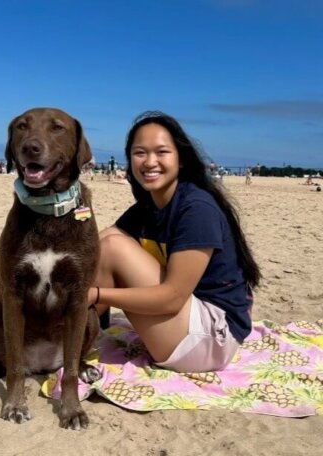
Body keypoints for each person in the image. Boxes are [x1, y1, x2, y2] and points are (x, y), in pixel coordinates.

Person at [88, 111, 261, 373]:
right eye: (140, 153)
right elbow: (96, 244)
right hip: (187, 324)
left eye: (161, 152)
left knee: (114, 248)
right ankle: (73, 331)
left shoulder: (196, 209)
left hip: (212, 339)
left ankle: (72, 335)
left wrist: (96, 295)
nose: (149, 161)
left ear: (180, 159)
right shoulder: (148, 208)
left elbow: (173, 298)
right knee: (109, 242)